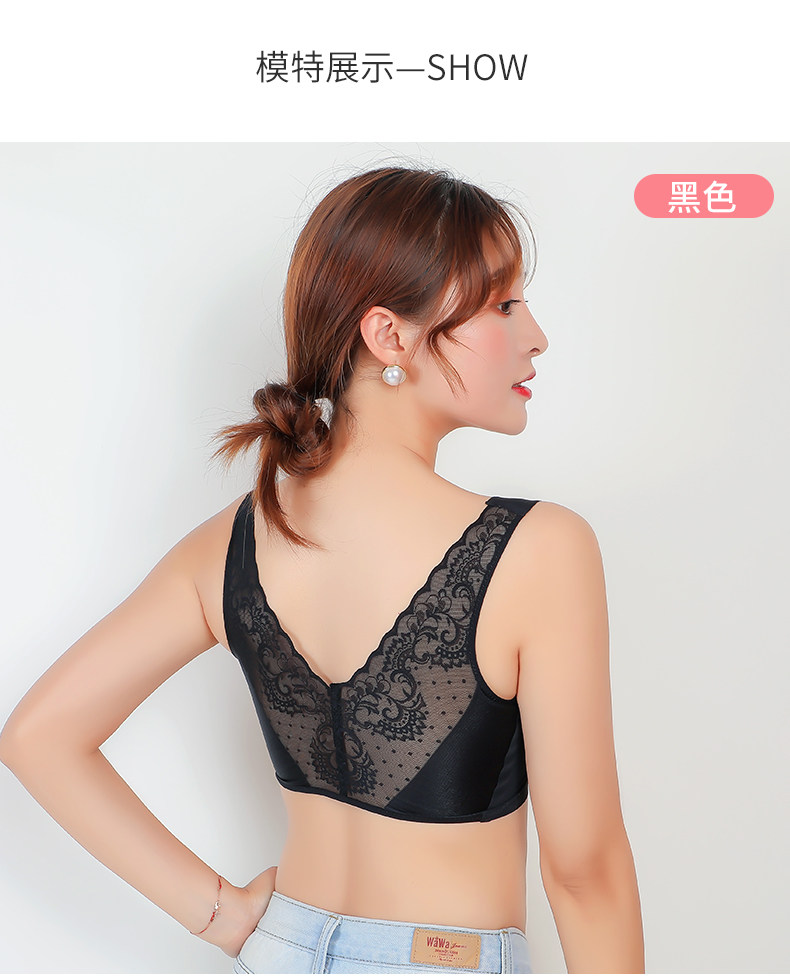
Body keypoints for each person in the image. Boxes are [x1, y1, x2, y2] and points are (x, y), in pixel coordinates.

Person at [0, 165, 644, 974]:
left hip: (280, 953)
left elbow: (39, 737)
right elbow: (584, 872)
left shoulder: (233, 543)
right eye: (503, 305)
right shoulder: (540, 548)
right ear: (390, 335)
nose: (536, 334)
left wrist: (222, 916)